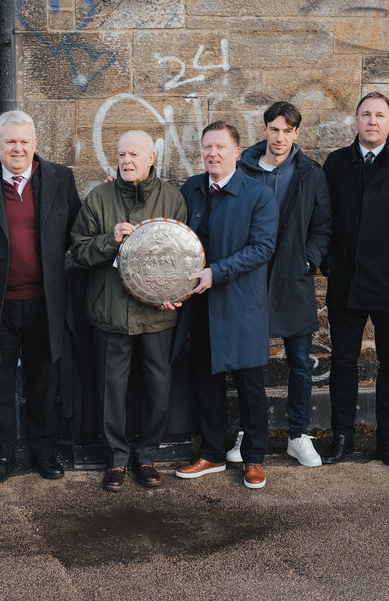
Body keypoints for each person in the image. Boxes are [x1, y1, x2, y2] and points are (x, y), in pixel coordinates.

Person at [0, 110, 80, 484]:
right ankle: (2, 455)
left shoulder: (60, 178)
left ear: (35, 143)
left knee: (44, 381)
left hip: (44, 302)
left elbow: (75, 228)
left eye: (24, 141)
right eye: (10, 141)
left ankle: (44, 452)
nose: (18, 148)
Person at [321, 92, 389, 466]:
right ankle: (342, 436)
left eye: (380, 115)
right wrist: (329, 264)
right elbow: (322, 219)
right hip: (346, 282)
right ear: (355, 121)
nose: (372, 120)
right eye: (366, 114)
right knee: (343, 360)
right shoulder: (336, 163)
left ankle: (387, 436)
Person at [70, 131, 186, 491]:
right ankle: (117, 459)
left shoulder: (172, 198)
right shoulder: (99, 198)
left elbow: (183, 255)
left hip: (156, 313)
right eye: (121, 154)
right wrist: (110, 240)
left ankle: (147, 456)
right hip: (110, 310)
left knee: (158, 386)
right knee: (111, 390)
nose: (127, 161)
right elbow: (78, 252)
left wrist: (174, 290)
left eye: (135, 154)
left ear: (152, 158)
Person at [226, 101, 332, 467]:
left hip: (293, 278)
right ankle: (249, 432)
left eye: (288, 131)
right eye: (274, 129)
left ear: (297, 133)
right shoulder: (243, 169)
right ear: (265, 129)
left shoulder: (310, 173)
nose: (280, 137)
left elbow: (323, 226)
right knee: (248, 362)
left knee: (300, 362)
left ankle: (298, 435)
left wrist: (308, 259)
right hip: (250, 277)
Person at [173, 121, 278, 489]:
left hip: (242, 304)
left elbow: (263, 248)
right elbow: (170, 233)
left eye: (220, 147)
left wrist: (217, 272)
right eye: (207, 147)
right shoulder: (191, 189)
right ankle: (213, 453)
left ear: (237, 151)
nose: (212, 154)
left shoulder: (258, 194)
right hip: (200, 305)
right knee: (207, 381)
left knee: (251, 385)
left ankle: (254, 458)